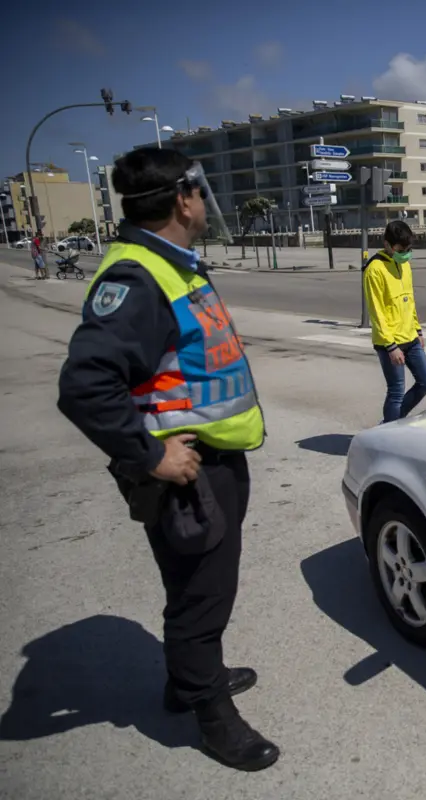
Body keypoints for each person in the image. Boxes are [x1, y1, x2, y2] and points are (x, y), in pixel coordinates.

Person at [56, 146, 279, 772]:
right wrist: (149, 456)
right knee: (200, 597)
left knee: (198, 588)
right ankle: (210, 715)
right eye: (200, 192)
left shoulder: (169, 265)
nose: (206, 202)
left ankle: (190, 678)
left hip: (211, 460)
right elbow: (84, 385)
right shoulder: (137, 278)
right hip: (187, 472)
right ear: (182, 200)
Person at [364, 219, 426, 423]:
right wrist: (391, 346)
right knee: (396, 391)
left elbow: (409, 299)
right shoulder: (374, 269)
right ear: (387, 245)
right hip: (390, 342)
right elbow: (376, 312)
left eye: (409, 249)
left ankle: (392, 422)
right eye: (401, 249)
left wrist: (418, 330)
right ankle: (390, 431)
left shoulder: (404, 265)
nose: (406, 253)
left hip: (410, 336)